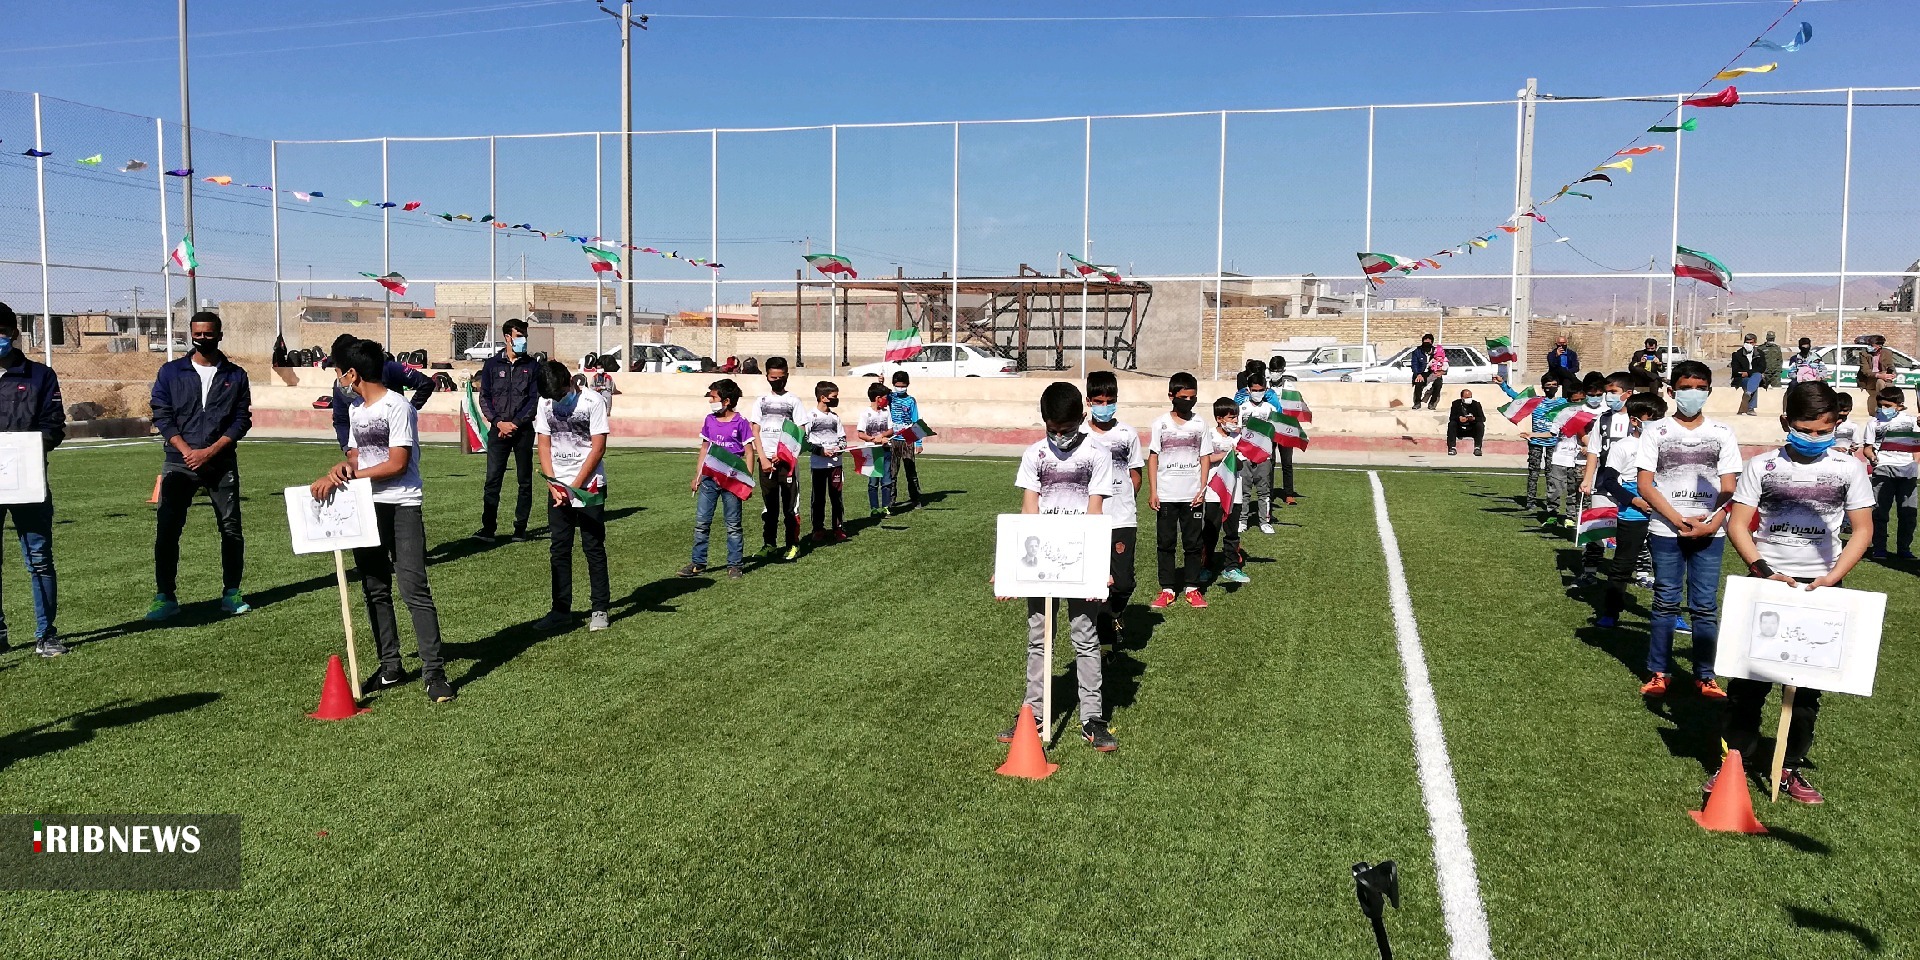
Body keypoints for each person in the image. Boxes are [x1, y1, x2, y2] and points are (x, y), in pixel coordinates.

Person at [1723, 380, 1876, 804]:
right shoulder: (1762, 466)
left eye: (1823, 430)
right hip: (1767, 584)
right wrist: (1762, 569)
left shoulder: (1848, 468)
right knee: (1748, 683)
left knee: (1806, 691)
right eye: (1805, 429)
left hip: (1822, 587)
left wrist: (1831, 577)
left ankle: (1789, 767)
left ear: (1836, 424)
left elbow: (1863, 530)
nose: (1813, 437)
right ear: (1785, 422)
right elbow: (1739, 524)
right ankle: (1734, 761)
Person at [312, 338, 452, 702]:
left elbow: (397, 464)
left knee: (413, 589)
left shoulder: (398, 406)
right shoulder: (356, 410)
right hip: (365, 506)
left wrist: (352, 476)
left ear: (353, 374)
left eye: (340, 373)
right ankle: (390, 666)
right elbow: (357, 455)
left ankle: (434, 672)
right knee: (375, 589)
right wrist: (343, 468)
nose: (339, 380)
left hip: (401, 506)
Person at [997, 381, 1116, 752]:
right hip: (1041, 563)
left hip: (1079, 560)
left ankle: (1092, 719)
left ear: (1081, 417)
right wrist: (1011, 569)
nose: (1060, 436)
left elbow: (1095, 511)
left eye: (1067, 429)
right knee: (1039, 638)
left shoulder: (1097, 454)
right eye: (1053, 429)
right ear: (1044, 421)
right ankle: (1032, 715)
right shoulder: (1034, 454)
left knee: (1085, 636)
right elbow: (1028, 508)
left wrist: (1098, 566)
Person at [1634, 360, 1741, 700]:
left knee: (1705, 605)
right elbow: (1645, 484)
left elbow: (1730, 486)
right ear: (1672, 391)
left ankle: (1705, 675)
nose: (1693, 394)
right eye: (1685, 388)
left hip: (1711, 532)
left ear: (1708, 391)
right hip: (1666, 529)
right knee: (1666, 600)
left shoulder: (1722, 432)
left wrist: (1712, 522)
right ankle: (1659, 672)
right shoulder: (1656, 431)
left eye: (1700, 388)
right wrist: (1678, 520)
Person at [147, 311, 252, 621]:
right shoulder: (170, 372)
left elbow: (241, 420)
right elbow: (161, 414)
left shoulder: (236, 375)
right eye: (198, 334)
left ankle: (231, 593)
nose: (203, 339)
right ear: (190, 334)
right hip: (178, 462)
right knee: (168, 530)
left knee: (230, 529)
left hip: (220, 462)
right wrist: (186, 450)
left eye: (209, 334)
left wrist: (210, 451)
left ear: (219, 335)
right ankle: (165, 597)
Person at [0, 303, 65, 657]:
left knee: (38, 557)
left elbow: (54, 426)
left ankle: (46, 634)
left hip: (28, 480)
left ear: (13, 333)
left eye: (1, 332)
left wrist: (24, 448)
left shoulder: (39, 375)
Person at [532, 360, 611, 632]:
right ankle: (560, 610)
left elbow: (598, 448)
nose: (556, 401)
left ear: (570, 382)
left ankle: (599, 608)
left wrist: (573, 487)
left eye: (559, 395)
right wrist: (553, 484)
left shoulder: (593, 401)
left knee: (593, 547)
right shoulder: (545, 402)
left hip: (589, 487)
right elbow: (544, 445)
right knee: (559, 549)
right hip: (558, 488)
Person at [1595, 392, 1666, 628]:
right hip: (1633, 514)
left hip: (1664, 516)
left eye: (1660, 418)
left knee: (1667, 567)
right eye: (1652, 419)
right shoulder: (1623, 447)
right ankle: (1611, 612)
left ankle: (1671, 614)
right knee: (1623, 564)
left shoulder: (1667, 445)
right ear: (1635, 421)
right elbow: (1609, 481)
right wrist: (1634, 501)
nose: (1657, 424)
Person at [1083, 371, 1144, 645]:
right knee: (1095, 581)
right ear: (1088, 401)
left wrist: (1124, 499)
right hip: (1090, 519)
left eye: (1110, 401)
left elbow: (1136, 476)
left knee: (1123, 582)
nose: (1104, 407)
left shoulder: (1127, 433)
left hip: (1122, 517)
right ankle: (1104, 640)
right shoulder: (1080, 435)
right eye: (1099, 401)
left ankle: (1114, 614)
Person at [1147, 372, 1214, 611]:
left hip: (1192, 496)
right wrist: (1153, 491)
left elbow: (1205, 457)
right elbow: (1153, 457)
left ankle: (1192, 587)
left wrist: (1202, 489)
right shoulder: (1160, 424)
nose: (1188, 401)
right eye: (1183, 397)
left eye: (1192, 397)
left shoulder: (1200, 424)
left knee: (1193, 543)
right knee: (1165, 542)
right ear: (1171, 396)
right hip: (1166, 495)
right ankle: (1167, 589)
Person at [680, 379, 758, 580]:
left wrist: (747, 480)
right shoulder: (709, 420)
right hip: (709, 480)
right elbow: (704, 449)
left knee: (733, 525)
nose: (710, 401)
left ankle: (735, 565)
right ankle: (698, 563)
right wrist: (697, 476)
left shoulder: (741, 423)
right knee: (702, 523)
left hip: (732, 482)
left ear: (726, 401)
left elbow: (749, 452)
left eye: (713, 397)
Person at [476, 318, 540, 543]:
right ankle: (488, 529)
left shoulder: (533, 366)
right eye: (519, 335)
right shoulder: (492, 365)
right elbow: (484, 397)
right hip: (498, 430)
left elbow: (534, 399)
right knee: (493, 480)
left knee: (524, 481)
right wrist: (498, 422)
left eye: (525, 336)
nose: (523, 340)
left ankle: (520, 529)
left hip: (523, 431)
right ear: (507, 337)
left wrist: (516, 423)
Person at [1576, 372, 1637, 583]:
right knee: (1597, 527)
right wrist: (1587, 480)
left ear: (1628, 393)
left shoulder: (1638, 420)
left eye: (1613, 392)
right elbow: (1593, 451)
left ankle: (1642, 572)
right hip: (1603, 484)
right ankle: (1590, 570)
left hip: (1632, 484)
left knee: (1635, 530)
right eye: (1607, 392)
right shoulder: (1602, 419)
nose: (1608, 396)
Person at [327, 333, 434, 452]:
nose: (339, 379)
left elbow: (426, 383)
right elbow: (340, 420)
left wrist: (411, 409)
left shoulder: (397, 403)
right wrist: (348, 449)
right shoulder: (353, 405)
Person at [749, 356, 803, 560]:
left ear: (787, 376)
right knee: (769, 506)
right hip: (766, 462)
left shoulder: (793, 400)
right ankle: (769, 544)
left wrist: (784, 454)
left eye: (781, 377)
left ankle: (792, 544)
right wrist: (762, 458)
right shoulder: (760, 401)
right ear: (767, 376)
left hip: (787, 463)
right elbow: (755, 430)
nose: (778, 381)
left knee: (790, 506)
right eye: (774, 378)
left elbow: (800, 430)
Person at [1497, 371, 1563, 512]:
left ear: (1558, 387)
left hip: (1553, 443)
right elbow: (1516, 397)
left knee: (1551, 474)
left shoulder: (1562, 403)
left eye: (1554, 385)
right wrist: (1502, 384)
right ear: (1543, 387)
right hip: (1535, 442)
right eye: (1548, 385)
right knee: (1534, 472)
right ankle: (1530, 500)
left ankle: (1551, 502)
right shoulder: (1535, 401)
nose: (1551, 387)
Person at [1865, 386, 1917, 560]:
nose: (1883, 409)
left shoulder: (1912, 421)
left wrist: (1915, 463)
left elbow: (1917, 446)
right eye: (1880, 405)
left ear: (1899, 405)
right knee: (1880, 512)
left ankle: (1904, 549)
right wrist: (1873, 458)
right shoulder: (1873, 423)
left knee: (1908, 513)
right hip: (1883, 469)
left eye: (1888, 406)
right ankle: (1879, 548)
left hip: (1907, 470)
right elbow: (1867, 448)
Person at [1202, 398, 1249, 586]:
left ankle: (1231, 567)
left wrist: (1235, 455)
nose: (1235, 420)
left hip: (1234, 492)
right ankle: (1205, 566)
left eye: (1236, 417)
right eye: (1231, 417)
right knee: (1211, 530)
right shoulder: (1209, 435)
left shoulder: (1239, 437)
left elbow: (1241, 463)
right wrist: (1224, 455)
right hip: (1214, 491)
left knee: (1232, 530)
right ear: (1219, 419)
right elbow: (1203, 459)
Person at [1545, 373, 1599, 532]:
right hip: (1561, 456)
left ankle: (1570, 517)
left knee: (1573, 489)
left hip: (1579, 459)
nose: (1578, 403)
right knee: (1555, 487)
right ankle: (1552, 514)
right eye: (1574, 401)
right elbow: (1553, 432)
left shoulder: (1593, 414)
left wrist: (1589, 448)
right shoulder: (1564, 414)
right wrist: (1533, 435)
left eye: (1581, 400)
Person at [804, 380, 849, 543]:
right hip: (818, 465)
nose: (836, 399)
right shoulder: (810, 416)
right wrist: (821, 451)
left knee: (836, 497)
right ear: (823, 397)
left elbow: (843, 438)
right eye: (833, 397)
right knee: (818, 498)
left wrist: (840, 448)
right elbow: (805, 440)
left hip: (836, 464)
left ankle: (838, 528)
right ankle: (818, 529)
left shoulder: (835, 417)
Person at [1238, 372, 1278, 533]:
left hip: (1263, 456)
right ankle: (1242, 520)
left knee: (1264, 492)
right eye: (1254, 390)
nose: (1257, 393)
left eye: (1261, 390)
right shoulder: (1241, 409)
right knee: (1244, 491)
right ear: (1248, 390)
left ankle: (1265, 521)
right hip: (1245, 455)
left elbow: (1276, 431)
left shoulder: (1270, 409)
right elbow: (1237, 430)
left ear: (1265, 390)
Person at [887, 370, 925, 509]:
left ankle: (915, 498)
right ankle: (890, 500)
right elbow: (878, 396)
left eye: (903, 386)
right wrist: (880, 382)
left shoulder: (911, 401)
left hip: (907, 440)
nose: (900, 388)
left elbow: (915, 421)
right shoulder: (890, 398)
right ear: (893, 384)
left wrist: (919, 442)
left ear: (908, 384)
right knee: (891, 472)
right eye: (898, 386)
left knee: (911, 472)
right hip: (892, 439)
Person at [857, 381, 894, 516]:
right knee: (873, 481)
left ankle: (885, 506)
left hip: (886, 450)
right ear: (878, 398)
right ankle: (874, 507)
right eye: (885, 398)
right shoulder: (865, 414)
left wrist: (882, 436)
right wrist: (873, 440)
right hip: (871, 451)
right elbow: (861, 434)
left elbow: (891, 430)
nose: (886, 401)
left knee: (887, 480)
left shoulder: (886, 412)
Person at [1857, 335, 1897, 407]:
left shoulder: (1887, 353)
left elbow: (1891, 366)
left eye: (1872, 345)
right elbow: (1865, 371)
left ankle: (1885, 404)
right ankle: (1884, 405)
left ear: (1879, 346)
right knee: (1881, 382)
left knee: (1883, 382)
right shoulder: (1864, 354)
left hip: (1884, 378)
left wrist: (1893, 373)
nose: (1869, 347)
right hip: (1870, 378)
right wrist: (1880, 375)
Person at [1447, 389, 1484, 456]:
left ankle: (1477, 448)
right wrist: (1459, 418)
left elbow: (1482, 418)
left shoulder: (1476, 404)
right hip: (1460, 428)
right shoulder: (1456, 404)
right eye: (1467, 397)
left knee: (1480, 425)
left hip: (1471, 428)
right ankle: (1452, 448)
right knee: (1452, 424)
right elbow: (1451, 417)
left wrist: (1473, 418)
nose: (1469, 399)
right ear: (1462, 398)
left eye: (1470, 397)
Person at [1731, 333, 1760, 416]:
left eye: (1751, 343)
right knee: (1752, 383)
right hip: (1742, 378)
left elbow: (1761, 368)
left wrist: (1748, 372)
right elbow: (1735, 370)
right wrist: (1747, 373)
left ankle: (1748, 393)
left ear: (1755, 343)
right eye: (1747, 342)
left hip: (1755, 376)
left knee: (1757, 376)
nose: (1749, 344)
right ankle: (1750, 408)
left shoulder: (1759, 354)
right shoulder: (1737, 354)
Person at [1409, 334, 1438, 410]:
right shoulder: (1417, 351)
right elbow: (1414, 364)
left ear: (1431, 343)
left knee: (1438, 383)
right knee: (1418, 383)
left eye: (1428, 343)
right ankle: (1417, 402)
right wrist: (1418, 374)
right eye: (1425, 342)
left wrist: (1439, 372)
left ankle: (1432, 403)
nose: (1426, 345)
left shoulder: (1436, 352)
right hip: (1421, 372)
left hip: (1432, 372)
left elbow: (1441, 362)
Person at [1419, 338, 1448, 410]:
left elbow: (1445, 369)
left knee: (1438, 385)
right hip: (1428, 374)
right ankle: (1420, 399)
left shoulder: (1442, 359)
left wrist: (1441, 371)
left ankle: (1432, 403)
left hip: (1437, 374)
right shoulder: (1420, 353)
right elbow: (1426, 366)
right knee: (1422, 383)